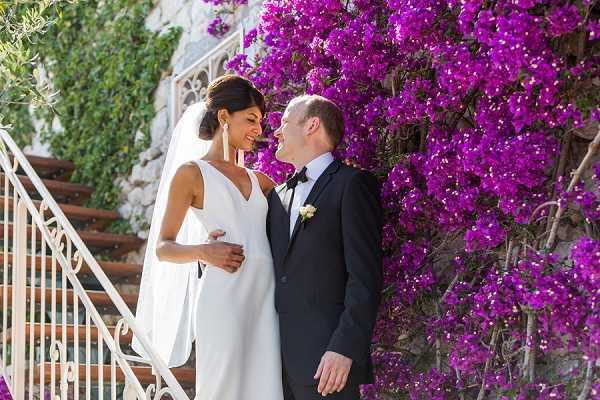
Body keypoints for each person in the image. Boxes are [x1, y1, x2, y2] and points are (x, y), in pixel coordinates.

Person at [132, 74, 283, 399]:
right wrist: (204, 251)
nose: (259, 129)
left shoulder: (263, 181)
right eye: (251, 119)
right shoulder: (191, 174)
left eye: (260, 121)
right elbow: (163, 247)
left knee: (266, 390)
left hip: (264, 300)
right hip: (223, 297)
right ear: (224, 116)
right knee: (222, 389)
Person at [266, 95, 383, 399]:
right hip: (272, 366)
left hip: (328, 365)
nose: (276, 132)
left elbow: (365, 277)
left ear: (312, 125)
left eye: (284, 123)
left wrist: (343, 348)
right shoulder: (274, 198)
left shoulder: (351, 185)